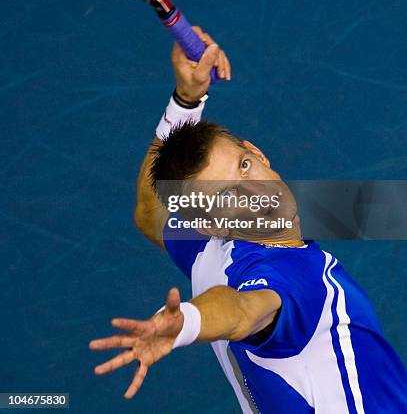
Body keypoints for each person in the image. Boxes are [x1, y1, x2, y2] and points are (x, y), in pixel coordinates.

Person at [89, 28, 407, 413]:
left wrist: (185, 102)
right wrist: (188, 322)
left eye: (244, 166)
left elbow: (149, 212)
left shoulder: (206, 252)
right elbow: (240, 310)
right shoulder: (295, 277)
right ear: (207, 223)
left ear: (257, 152)